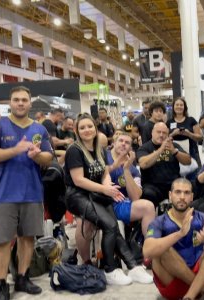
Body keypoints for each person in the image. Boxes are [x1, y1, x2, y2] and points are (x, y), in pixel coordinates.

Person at [0, 86, 53, 299]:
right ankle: (1, 283)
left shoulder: (40, 129)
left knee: (28, 238)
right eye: (16, 100)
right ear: (10, 103)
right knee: (1, 241)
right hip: (2, 195)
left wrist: (36, 156)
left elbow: (49, 157)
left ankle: (22, 277)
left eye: (24, 100)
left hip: (32, 193)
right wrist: (16, 150)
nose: (20, 103)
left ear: (30, 104)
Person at [64, 113, 152, 286]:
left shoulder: (99, 149)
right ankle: (110, 269)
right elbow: (78, 180)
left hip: (97, 194)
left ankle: (133, 267)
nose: (87, 130)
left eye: (90, 126)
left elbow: (104, 173)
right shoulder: (74, 150)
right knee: (110, 225)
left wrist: (109, 188)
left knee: (113, 226)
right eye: (82, 127)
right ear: (76, 131)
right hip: (78, 195)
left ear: (95, 129)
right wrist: (106, 189)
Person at [143, 178, 204, 300]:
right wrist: (179, 234)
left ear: (192, 197)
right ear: (170, 195)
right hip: (172, 282)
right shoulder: (159, 222)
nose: (182, 197)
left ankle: (190, 296)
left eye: (186, 193)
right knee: (160, 248)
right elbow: (147, 251)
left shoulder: (202, 217)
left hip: (200, 275)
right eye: (178, 192)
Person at [137, 122, 191, 207]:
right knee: (148, 194)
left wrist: (175, 152)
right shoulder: (144, 148)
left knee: (190, 188)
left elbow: (188, 161)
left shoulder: (173, 145)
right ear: (152, 133)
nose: (161, 135)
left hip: (173, 184)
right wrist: (161, 149)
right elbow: (144, 164)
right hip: (152, 185)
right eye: (158, 132)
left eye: (164, 133)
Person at [167, 97, 202, 169]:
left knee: (194, 173)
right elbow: (165, 138)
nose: (179, 107)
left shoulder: (191, 120)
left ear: (184, 107)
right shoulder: (169, 122)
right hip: (175, 151)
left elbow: (199, 137)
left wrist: (189, 134)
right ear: (173, 107)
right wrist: (173, 133)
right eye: (177, 105)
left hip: (192, 151)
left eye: (181, 105)